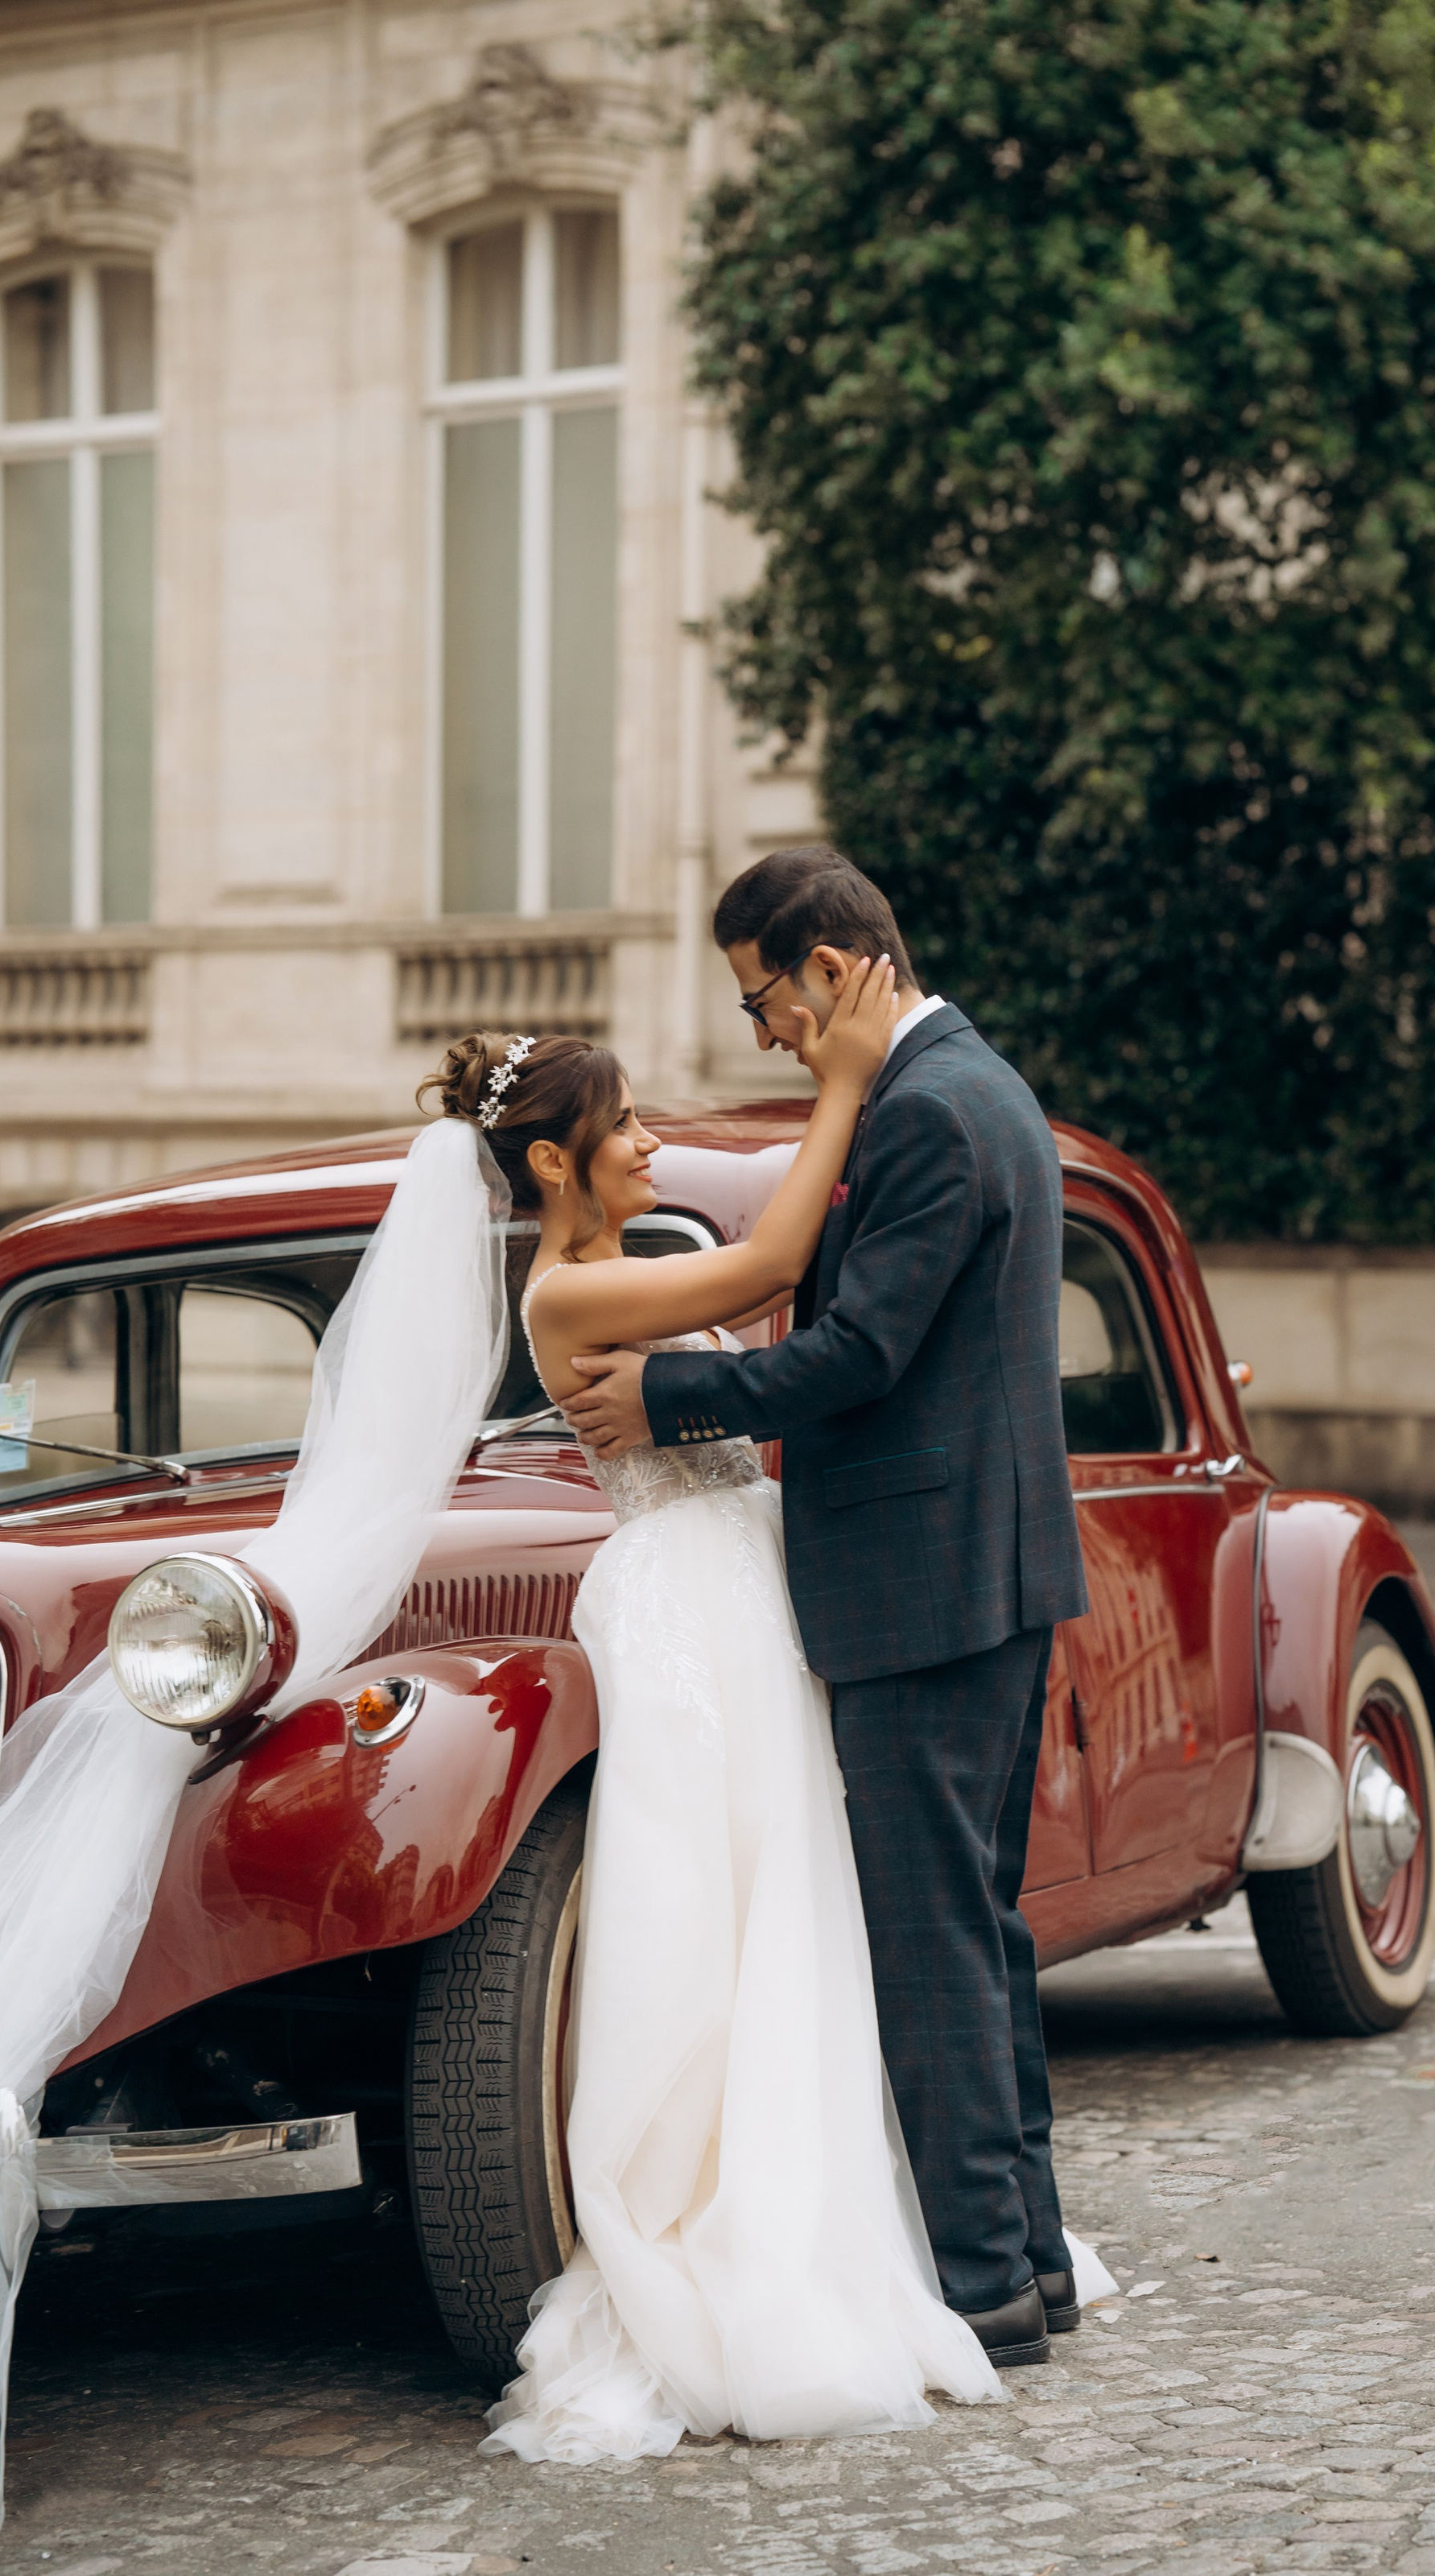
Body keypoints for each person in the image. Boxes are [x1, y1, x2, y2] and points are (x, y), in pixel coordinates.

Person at [455, 956, 1018, 2460]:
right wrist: (839, 1079)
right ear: (557, 1161)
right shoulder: (572, 1287)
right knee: (719, 1921)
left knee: (802, 1905)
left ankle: (836, 2202)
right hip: (688, 1611)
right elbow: (772, 1266)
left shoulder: (623, 1255)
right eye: (623, 1124)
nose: (648, 1140)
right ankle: (728, 2227)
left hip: (745, 1590)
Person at [560, 845, 1095, 2368]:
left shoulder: (927, 1111)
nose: (763, 1035)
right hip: (978, 1580)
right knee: (975, 1937)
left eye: (764, 998)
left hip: (927, 1595)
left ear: (837, 965)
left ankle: (986, 2283)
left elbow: (857, 1355)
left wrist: (667, 1393)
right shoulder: (970, 1087)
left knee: (934, 1948)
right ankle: (1028, 2259)